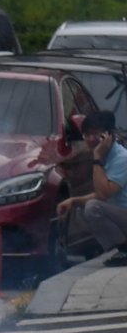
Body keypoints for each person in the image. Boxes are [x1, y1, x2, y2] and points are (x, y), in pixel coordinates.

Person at [57, 111, 127, 266]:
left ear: (109, 135)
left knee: (92, 208)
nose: (90, 139)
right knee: (83, 208)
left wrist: (96, 158)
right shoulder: (107, 156)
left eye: (95, 135)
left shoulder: (121, 158)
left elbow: (103, 194)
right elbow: (103, 195)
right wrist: (73, 201)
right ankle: (120, 250)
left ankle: (124, 249)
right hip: (121, 213)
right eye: (86, 135)